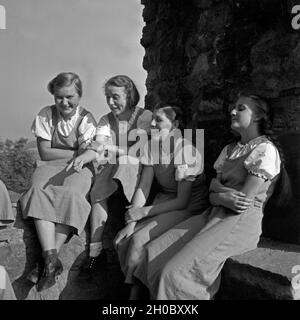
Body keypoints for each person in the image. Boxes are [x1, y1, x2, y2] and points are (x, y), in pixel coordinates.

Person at [131, 94, 291, 300]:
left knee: (172, 274)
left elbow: (242, 201)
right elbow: (212, 194)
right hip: (212, 214)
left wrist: (218, 191)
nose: (232, 111)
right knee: (151, 253)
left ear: (258, 117)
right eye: (233, 107)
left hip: (238, 223)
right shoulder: (229, 150)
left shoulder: (265, 150)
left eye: (241, 108)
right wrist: (218, 193)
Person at [114, 105, 209, 299]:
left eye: (159, 120)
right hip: (165, 200)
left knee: (139, 241)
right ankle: (135, 289)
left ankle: (134, 296)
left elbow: (182, 201)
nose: (152, 124)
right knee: (125, 239)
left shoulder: (186, 151)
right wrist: (132, 221)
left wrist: (143, 212)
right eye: (152, 120)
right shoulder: (151, 146)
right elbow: (145, 185)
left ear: (175, 124)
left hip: (189, 206)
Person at [19, 72, 97, 292]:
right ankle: (52, 259)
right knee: (37, 190)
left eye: (70, 97)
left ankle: (46, 260)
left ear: (79, 95)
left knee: (71, 194)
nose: (65, 102)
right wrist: (75, 152)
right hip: (51, 166)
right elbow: (44, 152)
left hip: (80, 167)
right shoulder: (45, 115)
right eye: (59, 97)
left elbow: (86, 153)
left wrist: (75, 154)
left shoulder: (86, 119)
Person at [68, 75, 152, 273]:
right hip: (114, 167)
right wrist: (83, 158)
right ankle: (95, 252)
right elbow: (98, 147)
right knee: (99, 187)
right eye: (108, 97)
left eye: (115, 97)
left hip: (139, 168)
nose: (111, 102)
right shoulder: (106, 120)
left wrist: (111, 148)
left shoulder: (144, 116)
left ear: (129, 95)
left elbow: (140, 151)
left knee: (124, 162)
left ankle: (132, 217)